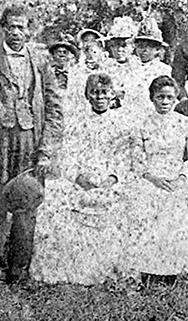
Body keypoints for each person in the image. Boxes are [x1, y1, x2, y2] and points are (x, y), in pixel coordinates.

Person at [31, 73, 138, 285]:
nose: (100, 97)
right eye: (95, 93)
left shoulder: (122, 124)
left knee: (125, 204)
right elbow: (70, 154)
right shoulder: (77, 123)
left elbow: (124, 158)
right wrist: (80, 178)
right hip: (81, 177)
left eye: (104, 93)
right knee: (54, 205)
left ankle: (110, 267)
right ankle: (70, 269)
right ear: (87, 96)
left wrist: (112, 178)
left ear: (112, 96)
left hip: (110, 178)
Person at [0, 6, 63, 284]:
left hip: (29, 139)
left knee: (27, 201)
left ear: (29, 30)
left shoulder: (40, 61)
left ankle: (19, 271)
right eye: (11, 27)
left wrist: (46, 149)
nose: (16, 33)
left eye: (22, 27)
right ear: (2, 28)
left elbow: (54, 107)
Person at [128, 75, 188, 285]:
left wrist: (181, 178)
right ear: (152, 98)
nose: (165, 102)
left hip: (177, 177)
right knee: (146, 204)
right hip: (150, 178)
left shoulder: (186, 123)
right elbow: (137, 160)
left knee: (180, 208)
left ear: (176, 98)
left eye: (170, 97)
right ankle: (148, 270)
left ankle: (176, 270)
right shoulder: (141, 124)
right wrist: (153, 178)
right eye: (160, 97)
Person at [102, 16, 142, 105]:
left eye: (124, 45)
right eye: (115, 45)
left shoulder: (138, 68)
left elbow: (139, 92)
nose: (119, 49)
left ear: (132, 47)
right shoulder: (104, 67)